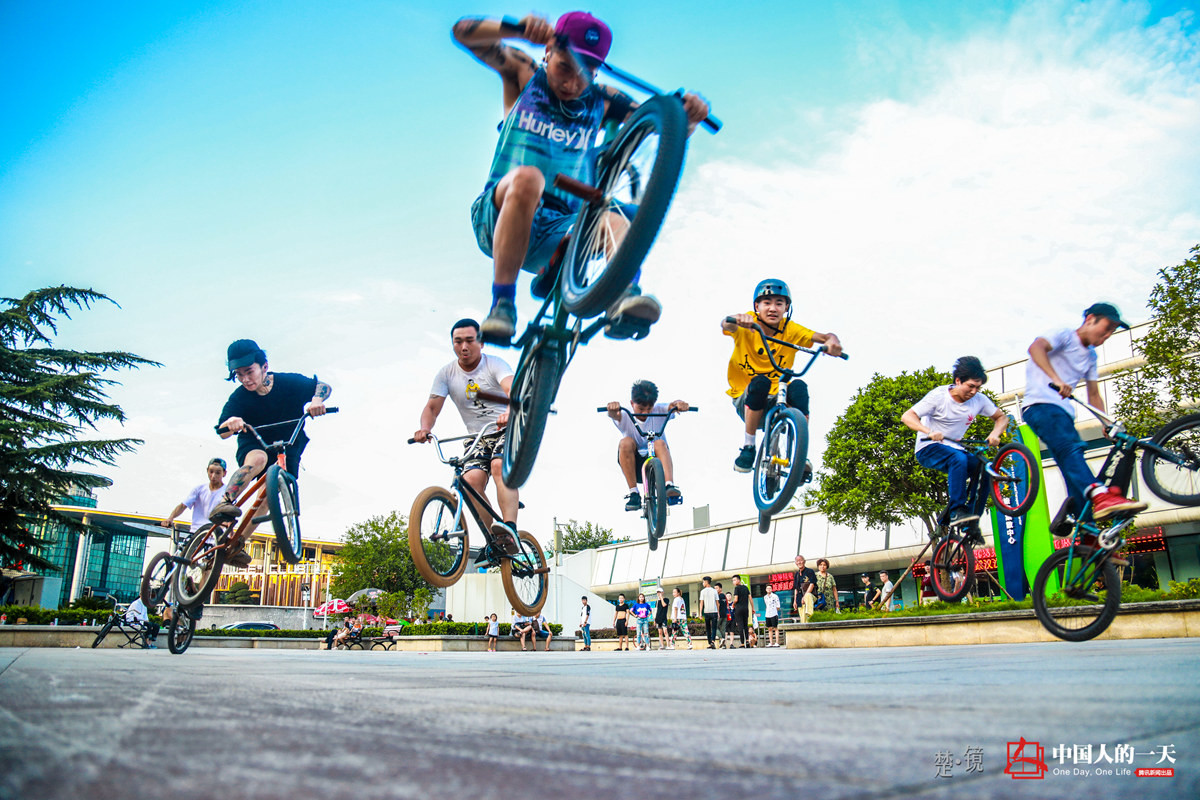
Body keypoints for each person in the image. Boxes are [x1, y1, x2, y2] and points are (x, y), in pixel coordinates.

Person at [452, 11, 711, 343]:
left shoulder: (601, 100)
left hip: (559, 227)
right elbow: (463, 33)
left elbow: (663, 132)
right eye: (564, 68)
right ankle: (502, 304)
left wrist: (687, 118)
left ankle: (623, 298)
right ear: (548, 52)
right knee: (529, 178)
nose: (572, 83)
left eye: (585, 73)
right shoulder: (524, 75)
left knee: (614, 218)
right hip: (500, 213)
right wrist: (517, 29)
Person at [1022, 303, 1147, 525]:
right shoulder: (1065, 335)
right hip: (1041, 406)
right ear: (1090, 319)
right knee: (1072, 449)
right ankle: (1100, 495)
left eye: (1112, 332)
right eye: (1106, 328)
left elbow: (1094, 393)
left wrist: (1107, 423)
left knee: (1073, 469)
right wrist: (1056, 379)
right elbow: (1036, 348)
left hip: (1063, 414)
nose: (1107, 335)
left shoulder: (1090, 356)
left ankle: (1087, 534)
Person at [210, 339, 331, 567]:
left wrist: (316, 401)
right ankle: (225, 502)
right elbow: (222, 430)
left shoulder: (289, 382)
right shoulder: (239, 397)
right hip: (255, 442)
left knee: (269, 496)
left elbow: (322, 386)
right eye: (239, 374)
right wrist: (232, 422)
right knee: (259, 459)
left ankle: (237, 545)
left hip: (289, 445)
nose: (245, 379)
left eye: (249, 372)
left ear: (264, 366)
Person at [413, 318, 520, 554]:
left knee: (498, 465)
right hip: (476, 437)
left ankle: (510, 529)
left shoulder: (494, 364)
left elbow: (513, 389)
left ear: (480, 343)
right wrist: (424, 428)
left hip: (506, 427)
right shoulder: (446, 374)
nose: (464, 347)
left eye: (469, 341)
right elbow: (432, 408)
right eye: (458, 342)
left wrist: (509, 411)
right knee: (470, 483)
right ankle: (495, 538)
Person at [723, 280, 843, 472]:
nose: (773, 308)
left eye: (779, 303)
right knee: (760, 382)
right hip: (747, 399)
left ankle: (798, 454)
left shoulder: (791, 329)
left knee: (799, 386)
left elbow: (823, 337)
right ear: (757, 306)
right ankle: (749, 447)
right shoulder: (747, 322)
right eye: (767, 303)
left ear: (786, 307)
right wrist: (734, 319)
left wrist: (833, 341)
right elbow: (726, 325)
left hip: (778, 395)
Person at [901, 356, 1009, 531]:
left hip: (955, 449)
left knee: (985, 468)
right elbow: (907, 416)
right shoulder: (939, 396)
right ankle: (957, 511)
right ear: (958, 381)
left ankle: (971, 521)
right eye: (970, 386)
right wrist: (928, 431)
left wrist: (995, 433)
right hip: (928, 448)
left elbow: (1001, 418)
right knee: (958, 458)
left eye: (978, 387)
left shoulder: (979, 400)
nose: (974, 392)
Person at [605, 380, 690, 511]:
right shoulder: (625, 415)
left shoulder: (659, 410)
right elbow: (614, 415)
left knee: (659, 443)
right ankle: (634, 493)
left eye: (649, 409)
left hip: (658, 460)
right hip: (635, 466)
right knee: (625, 442)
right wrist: (612, 409)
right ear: (632, 403)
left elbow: (672, 406)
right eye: (640, 409)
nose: (645, 413)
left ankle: (669, 485)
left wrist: (679, 404)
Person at [160, 458, 228, 531]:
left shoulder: (228, 492)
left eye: (218, 473)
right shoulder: (199, 489)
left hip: (214, 534)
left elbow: (228, 516)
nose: (213, 476)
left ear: (224, 473)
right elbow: (183, 506)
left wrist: (218, 530)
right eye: (211, 472)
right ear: (207, 471)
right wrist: (170, 518)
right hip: (196, 532)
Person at [791, 555, 817, 623]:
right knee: (803, 620)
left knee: (808, 595)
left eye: (801, 560)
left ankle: (810, 614)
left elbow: (812, 584)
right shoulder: (796, 575)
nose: (799, 562)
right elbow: (796, 589)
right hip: (800, 598)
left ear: (804, 561)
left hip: (811, 596)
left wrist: (804, 597)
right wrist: (794, 601)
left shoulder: (810, 571)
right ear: (795, 563)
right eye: (797, 561)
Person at [699, 577, 719, 649]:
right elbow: (717, 603)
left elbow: (701, 603)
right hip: (714, 611)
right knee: (714, 628)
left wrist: (700, 613)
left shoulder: (702, 591)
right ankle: (712, 641)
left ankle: (710, 643)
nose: (703, 583)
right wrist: (718, 613)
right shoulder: (714, 591)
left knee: (708, 628)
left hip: (706, 612)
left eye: (703, 582)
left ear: (706, 582)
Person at [731, 575, 751, 648]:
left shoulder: (737, 588)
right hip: (746, 609)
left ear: (739, 580)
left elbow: (736, 599)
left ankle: (742, 643)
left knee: (740, 626)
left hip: (739, 609)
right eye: (733, 580)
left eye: (735, 580)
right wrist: (753, 608)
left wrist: (733, 604)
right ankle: (747, 641)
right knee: (745, 625)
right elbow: (750, 598)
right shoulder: (746, 588)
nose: (734, 582)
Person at [714, 582, 728, 647]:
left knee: (714, 627)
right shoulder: (724, 596)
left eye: (716, 588)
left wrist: (718, 613)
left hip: (720, 614)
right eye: (714, 588)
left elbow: (718, 605)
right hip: (724, 614)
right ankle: (724, 645)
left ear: (720, 589)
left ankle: (721, 638)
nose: (715, 590)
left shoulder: (719, 596)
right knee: (723, 629)